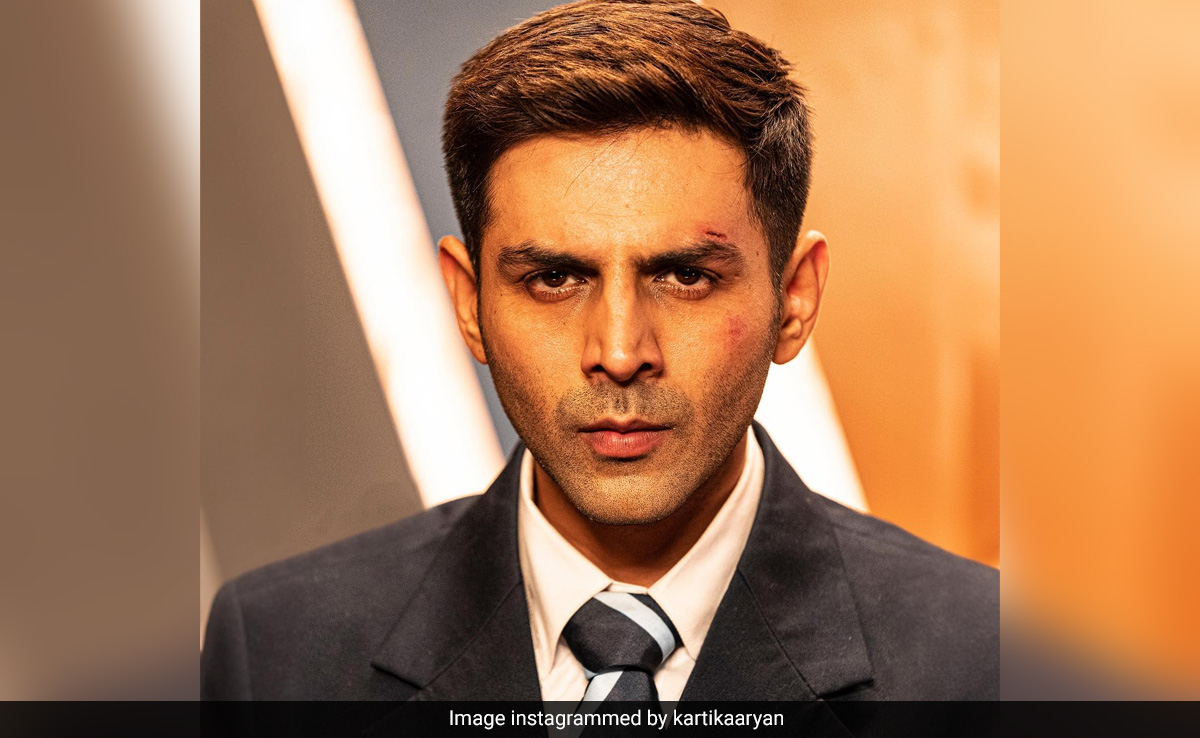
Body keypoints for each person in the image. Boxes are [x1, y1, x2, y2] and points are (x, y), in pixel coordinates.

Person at [201, 0, 997, 703]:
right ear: (468, 303)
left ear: (794, 300)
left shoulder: (985, 665)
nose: (619, 352)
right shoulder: (276, 655)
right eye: (554, 278)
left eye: (685, 276)